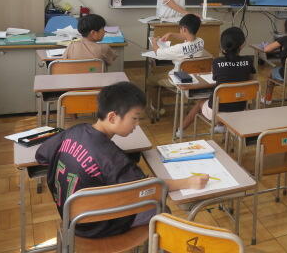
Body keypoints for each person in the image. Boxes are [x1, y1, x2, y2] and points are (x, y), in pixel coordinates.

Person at [35, 82, 209, 238]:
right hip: (95, 226)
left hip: (71, 218)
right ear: (112, 117)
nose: (137, 124)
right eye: (135, 118)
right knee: (160, 208)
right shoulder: (112, 158)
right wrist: (188, 182)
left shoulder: (74, 131)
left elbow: (41, 155)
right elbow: (150, 188)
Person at [178, 27, 256, 136]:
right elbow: (252, 82)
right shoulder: (248, 61)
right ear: (242, 45)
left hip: (217, 113)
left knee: (201, 103)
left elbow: (215, 78)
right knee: (227, 96)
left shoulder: (217, 62)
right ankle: (220, 126)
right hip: (240, 110)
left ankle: (180, 131)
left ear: (222, 46)